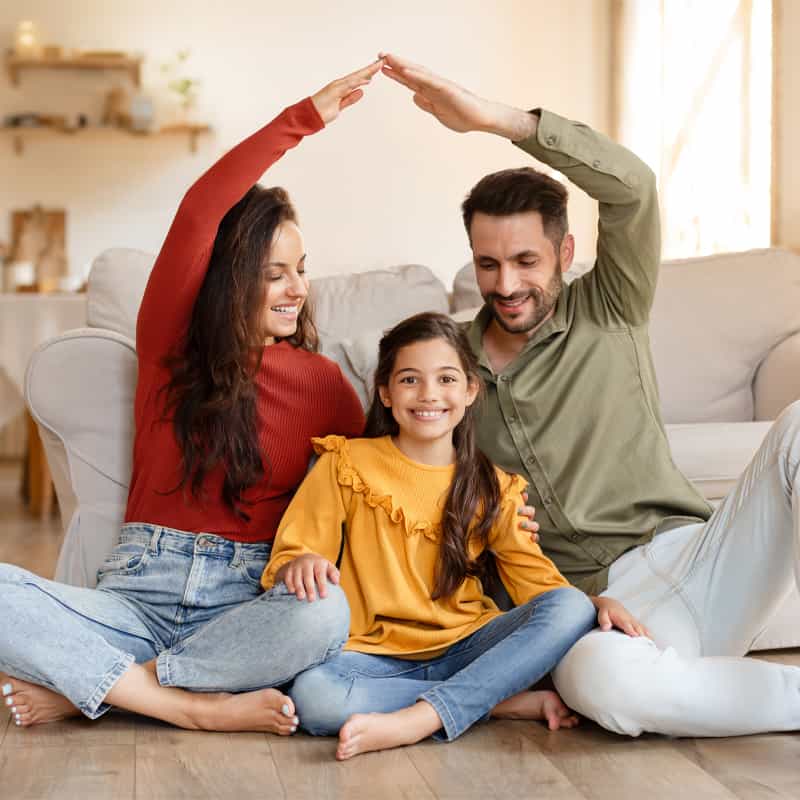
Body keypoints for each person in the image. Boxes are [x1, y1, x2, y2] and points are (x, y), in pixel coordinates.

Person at [378, 53, 800, 738]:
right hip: (592, 608)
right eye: (488, 264)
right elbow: (400, 491)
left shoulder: (611, 303)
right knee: (601, 683)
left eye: (526, 261)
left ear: (565, 253)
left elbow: (633, 188)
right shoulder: (444, 374)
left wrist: (496, 120)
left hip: (697, 559)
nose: (506, 285)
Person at [0, 61, 382, 733]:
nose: (297, 289)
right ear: (232, 277)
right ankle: (187, 705)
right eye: (274, 274)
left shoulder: (323, 384)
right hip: (136, 597)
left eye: (301, 271)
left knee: (325, 613)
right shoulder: (172, 343)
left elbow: (372, 489)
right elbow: (202, 208)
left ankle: (111, 688)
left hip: (246, 604)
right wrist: (304, 118)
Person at [262, 312, 646, 760]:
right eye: (410, 379)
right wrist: (301, 562)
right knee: (313, 698)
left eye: (446, 379)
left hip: (469, 646)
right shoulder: (345, 462)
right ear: (385, 392)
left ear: (469, 391)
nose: (429, 394)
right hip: (368, 656)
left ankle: (422, 718)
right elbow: (293, 552)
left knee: (571, 607)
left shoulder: (495, 487)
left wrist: (595, 603)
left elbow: (539, 587)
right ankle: (491, 702)